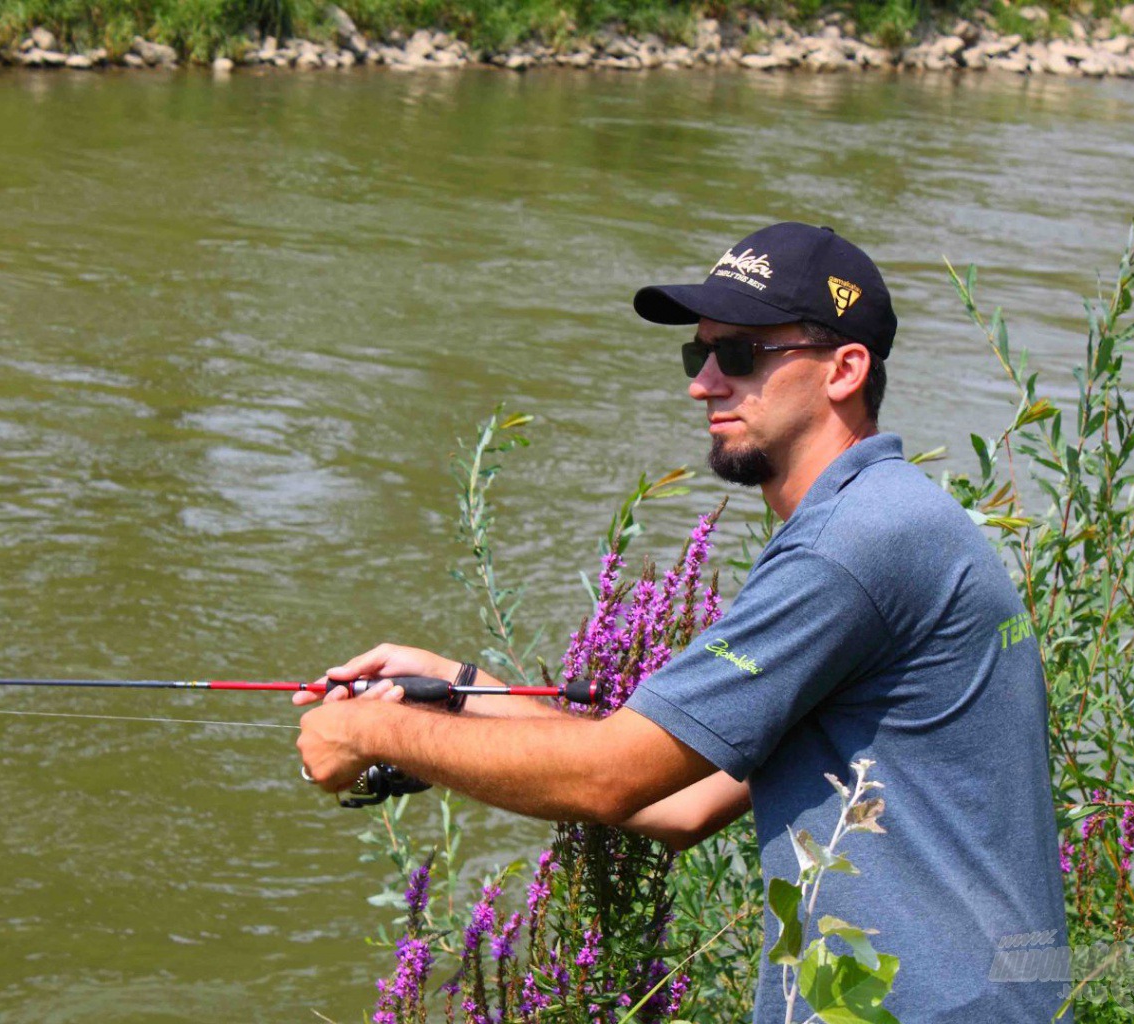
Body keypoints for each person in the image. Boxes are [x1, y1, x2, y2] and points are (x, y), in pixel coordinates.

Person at [295, 223, 1069, 1023]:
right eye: (695, 356)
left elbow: (606, 776)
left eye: (738, 356)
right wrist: (461, 690)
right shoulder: (889, 517)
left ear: (844, 370)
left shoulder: (851, 549)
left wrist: (366, 735)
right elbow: (676, 807)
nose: (703, 384)